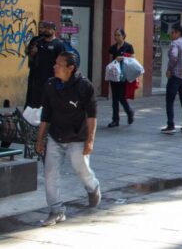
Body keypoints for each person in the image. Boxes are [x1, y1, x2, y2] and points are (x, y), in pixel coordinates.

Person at [35, 52, 100, 226]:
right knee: (49, 173)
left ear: (70, 68)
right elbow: (46, 114)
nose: (54, 67)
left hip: (78, 137)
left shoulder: (84, 86)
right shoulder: (50, 84)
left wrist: (90, 140)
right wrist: (40, 139)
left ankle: (93, 187)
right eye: (55, 63)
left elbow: (92, 115)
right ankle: (56, 210)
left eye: (59, 64)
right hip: (56, 136)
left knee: (81, 170)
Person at [25, 22, 65, 108]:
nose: (46, 30)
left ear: (54, 30)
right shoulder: (37, 41)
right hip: (36, 76)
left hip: (51, 76)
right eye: (45, 28)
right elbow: (28, 52)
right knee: (34, 100)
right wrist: (33, 52)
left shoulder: (58, 44)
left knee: (49, 100)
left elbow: (62, 61)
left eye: (49, 28)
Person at [162, 25, 182, 134]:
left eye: (173, 32)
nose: (171, 34)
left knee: (169, 101)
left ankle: (171, 125)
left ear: (178, 33)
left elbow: (174, 56)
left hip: (175, 76)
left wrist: (169, 69)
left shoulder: (175, 43)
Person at [107, 29, 135, 127]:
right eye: (115, 35)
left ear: (123, 36)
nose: (116, 37)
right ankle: (115, 120)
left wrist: (123, 58)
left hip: (123, 75)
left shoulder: (128, 47)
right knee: (114, 98)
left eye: (118, 35)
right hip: (114, 75)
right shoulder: (113, 48)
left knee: (122, 97)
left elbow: (133, 59)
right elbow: (110, 61)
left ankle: (129, 112)